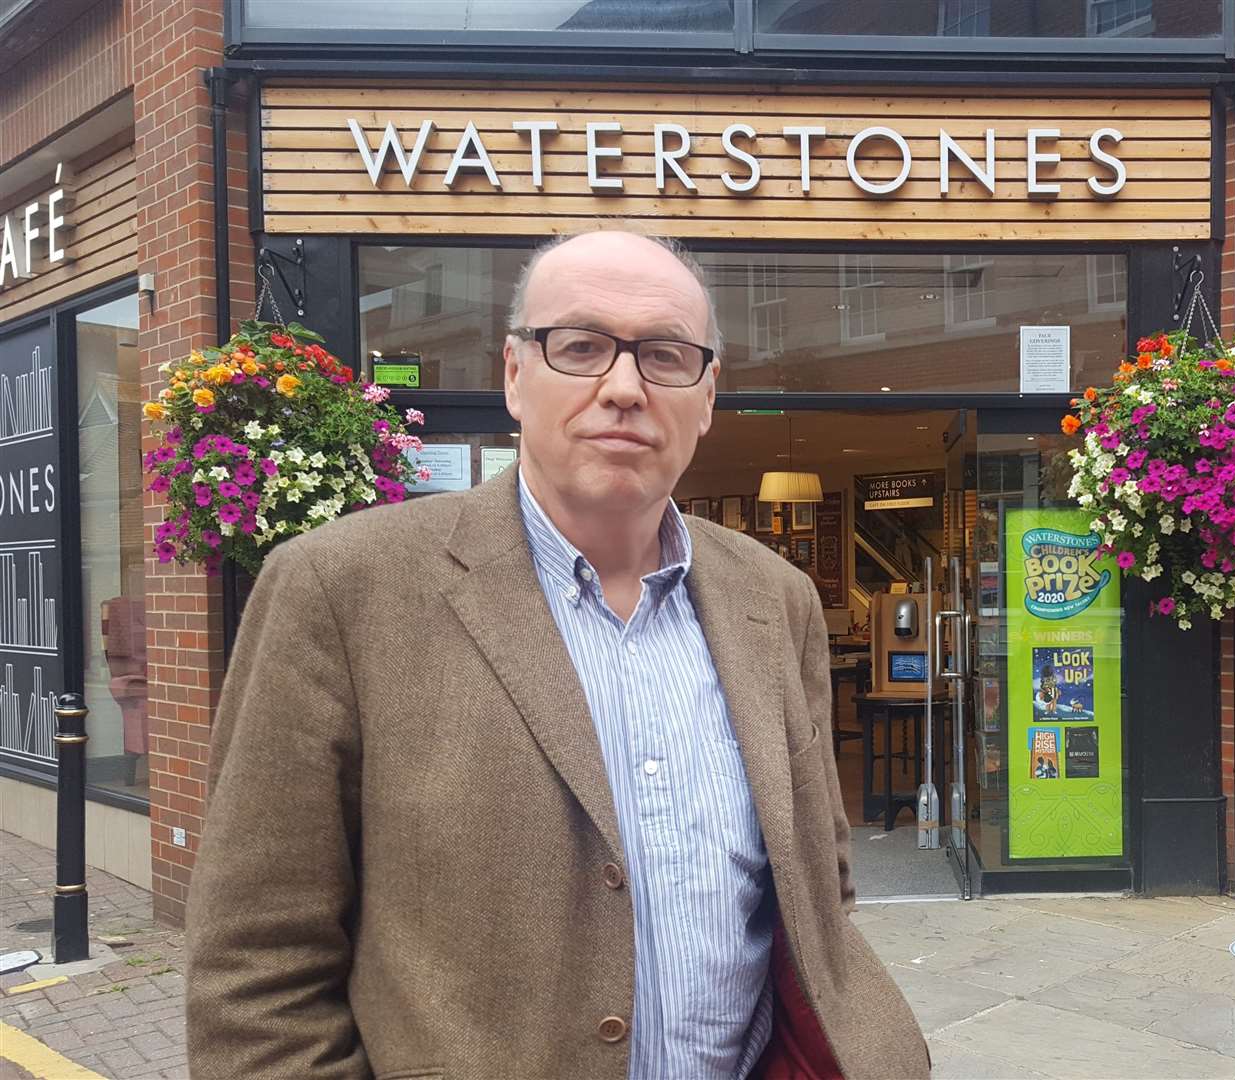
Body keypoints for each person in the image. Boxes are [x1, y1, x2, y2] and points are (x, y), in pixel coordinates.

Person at [186, 230, 929, 1080]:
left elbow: (815, 882)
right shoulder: (338, 588)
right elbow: (257, 968)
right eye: (579, 347)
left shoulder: (775, 597)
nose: (623, 387)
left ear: (708, 393)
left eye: (665, 355)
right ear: (513, 374)